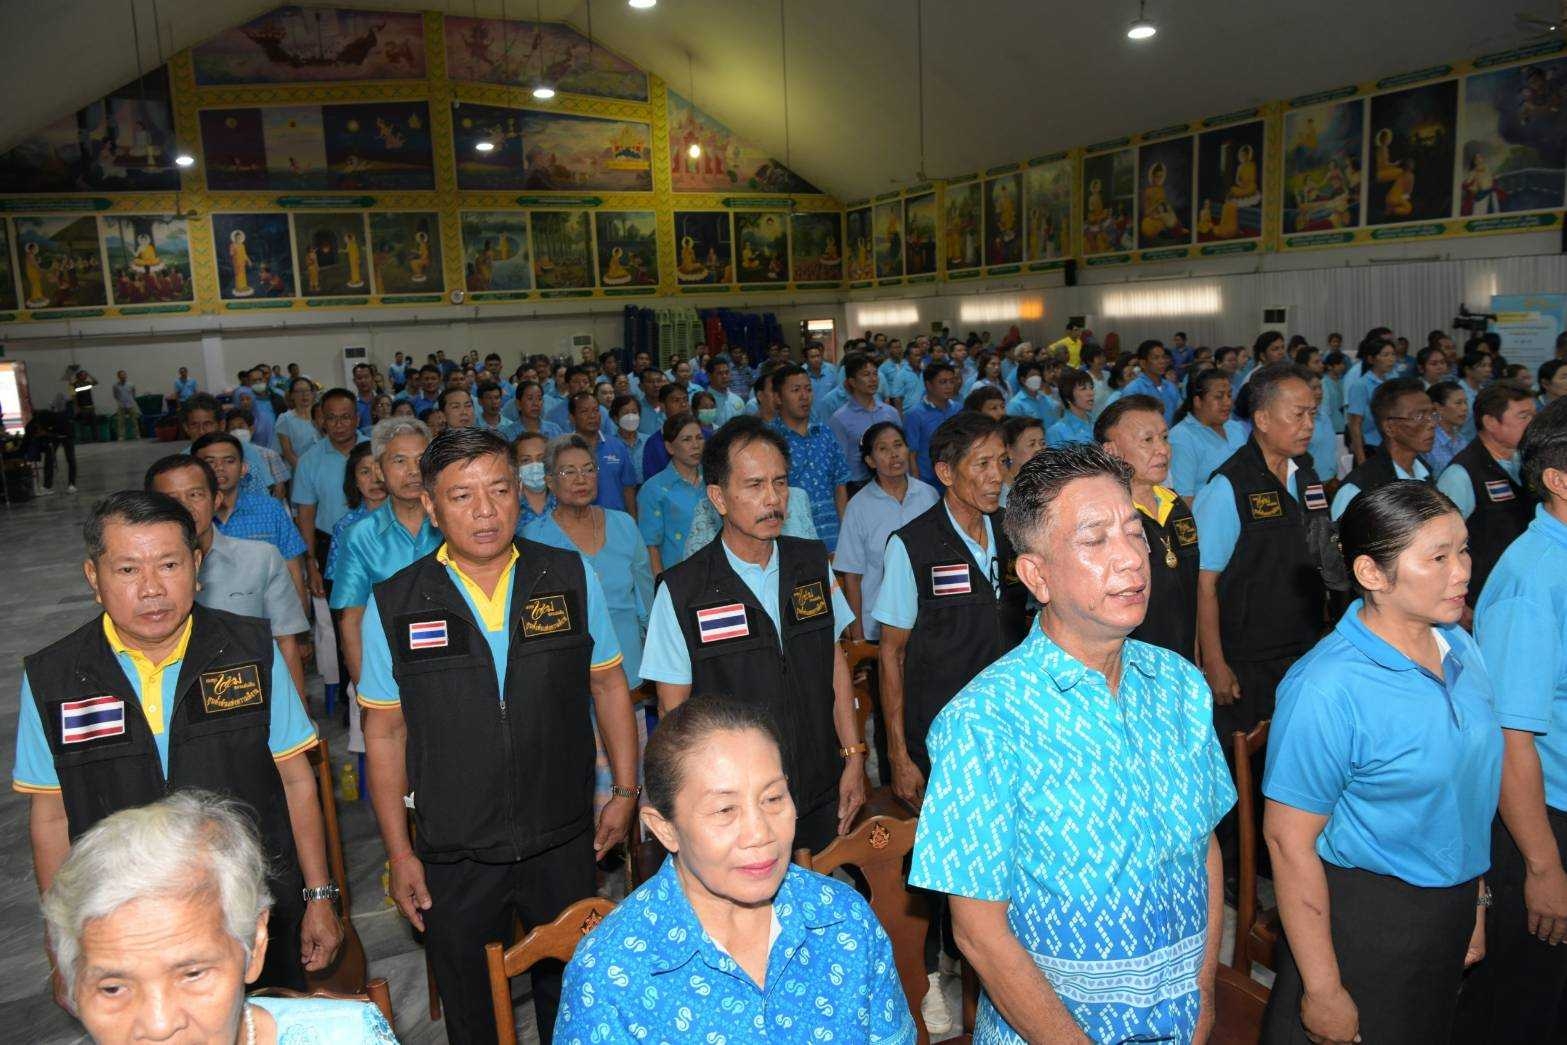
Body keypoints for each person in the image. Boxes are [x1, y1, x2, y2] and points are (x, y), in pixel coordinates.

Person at [909, 444, 1235, 1042]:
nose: (1131, 560)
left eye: (1133, 533)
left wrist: (1204, 1000)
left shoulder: (1179, 686)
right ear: (1036, 575)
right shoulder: (985, 721)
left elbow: (1203, 846)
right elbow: (978, 930)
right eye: (1095, 540)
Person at [358, 427, 639, 1042]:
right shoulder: (396, 603)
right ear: (431, 506)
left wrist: (623, 791)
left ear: (520, 492)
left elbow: (609, 686)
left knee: (575, 1003)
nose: (485, 511)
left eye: (500, 490)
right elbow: (384, 733)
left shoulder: (566, 575)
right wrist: (400, 852)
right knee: (473, 1012)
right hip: (454, 851)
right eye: (461, 496)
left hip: (563, 837)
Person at [13, 492, 342, 994]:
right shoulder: (54, 678)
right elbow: (51, 817)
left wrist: (319, 896)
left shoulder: (250, 651)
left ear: (196, 565)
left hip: (250, 915)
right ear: (93, 578)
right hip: (122, 927)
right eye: (127, 570)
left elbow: (297, 783)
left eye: (168, 565)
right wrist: (62, 940)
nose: (151, 589)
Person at [1262, 482, 1499, 1045]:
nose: (1462, 570)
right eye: (1437, 557)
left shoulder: (1458, 646)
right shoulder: (1327, 687)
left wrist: (1476, 900)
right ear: (1372, 574)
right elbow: (1287, 843)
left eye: (1462, 549)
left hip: (1448, 908)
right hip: (1363, 924)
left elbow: (1467, 790)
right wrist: (1322, 990)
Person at [556, 697, 913, 1041]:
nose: (760, 833)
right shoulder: (610, 975)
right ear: (665, 828)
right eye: (725, 810)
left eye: (773, 799)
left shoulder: (841, 918)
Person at [640, 416, 866, 853]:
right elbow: (673, 712)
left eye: (780, 483)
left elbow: (834, 664)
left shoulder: (810, 562)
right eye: (754, 485)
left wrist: (854, 756)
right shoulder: (684, 589)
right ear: (719, 498)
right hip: (738, 802)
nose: (772, 499)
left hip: (820, 781)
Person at [42, 792, 394, 1045]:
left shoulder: (347, 1038)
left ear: (254, 947)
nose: (159, 1025)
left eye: (193, 974)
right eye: (113, 988)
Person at [1452, 399, 1567, 1040]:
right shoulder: (1535, 580)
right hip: (1544, 822)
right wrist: (1544, 870)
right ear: (1559, 480)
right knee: (1525, 1010)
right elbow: (1510, 736)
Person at [875, 411, 1028, 804]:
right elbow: (891, 653)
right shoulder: (913, 546)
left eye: (1002, 462)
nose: (998, 475)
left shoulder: (1013, 533)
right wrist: (898, 754)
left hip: (1009, 725)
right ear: (945, 473)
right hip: (941, 735)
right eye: (982, 464)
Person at [1194, 363, 1346, 742]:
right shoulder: (1229, 486)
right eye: (1298, 415)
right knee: (1251, 765)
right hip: (1249, 658)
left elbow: (1321, 549)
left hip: (1305, 644)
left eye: (1313, 414)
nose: (1309, 425)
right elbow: (1204, 584)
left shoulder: (1306, 475)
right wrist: (1214, 663)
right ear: (1262, 418)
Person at [525, 434, 654, 813]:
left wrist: (655, 664)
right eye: (568, 471)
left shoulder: (624, 525)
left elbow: (645, 601)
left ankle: (638, 863)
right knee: (582, 791)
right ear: (550, 481)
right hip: (569, 682)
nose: (581, 479)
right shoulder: (534, 538)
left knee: (637, 787)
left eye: (588, 469)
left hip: (628, 678)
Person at [146, 454, 308, 699]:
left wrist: (300, 719)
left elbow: (285, 643)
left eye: (195, 495)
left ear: (216, 499)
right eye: (171, 499)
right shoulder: (138, 574)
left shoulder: (261, 559)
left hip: (246, 701)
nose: (185, 507)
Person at [1098, 395, 1201, 660]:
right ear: (1111, 451)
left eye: (1165, 438)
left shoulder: (1176, 506)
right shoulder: (1104, 519)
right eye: (1147, 440)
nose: (1163, 450)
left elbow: (1192, 590)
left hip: (1181, 659)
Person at [835, 421, 941, 644]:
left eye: (898, 445)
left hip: (928, 620)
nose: (894, 454)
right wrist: (858, 638)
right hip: (879, 625)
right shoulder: (858, 507)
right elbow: (852, 577)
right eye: (883, 449)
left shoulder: (928, 496)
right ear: (870, 461)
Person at [1437, 384, 1538, 604]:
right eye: (1524, 416)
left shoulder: (1527, 463)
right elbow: (1439, 542)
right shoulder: (1462, 473)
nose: (1533, 423)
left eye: (1533, 415)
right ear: (1491, 422)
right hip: (1481, 596)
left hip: (1523, 590)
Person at [193, 432, 308, 607]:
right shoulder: (186, 516)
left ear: (243, 469)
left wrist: (301, 618)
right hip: (207, 617)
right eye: (210, 462)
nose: (219, 467)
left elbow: (293, 568)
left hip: (266, 616)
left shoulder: (270, 509)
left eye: (229, 461)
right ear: (194, 470)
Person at [291, 389, 368, 602]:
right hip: (331, 545)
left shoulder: (376, 453)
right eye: (332, 418)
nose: (339, 424)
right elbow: (305, 516)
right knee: (342, 616)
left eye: (346, 417)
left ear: (357, 418)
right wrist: (311, 563)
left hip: (376, 541)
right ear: (321, 421)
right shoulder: (309, 460)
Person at [1330, 376, 1434, 519]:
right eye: (1419, 416)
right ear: (1390, 427)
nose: (1431, 424)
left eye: (1432, 415)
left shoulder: (1424, 472)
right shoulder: (1359, 488)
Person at [772, 365, 850, 551]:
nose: (804, 396)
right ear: (777, 398)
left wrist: (846, 534)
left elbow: (840, 486)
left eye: (808, 389)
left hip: (832, 538)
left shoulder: (825, 434)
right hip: (790, 538)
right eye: (796, 390)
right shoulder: (769, 439)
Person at [638, 412, 705, 575]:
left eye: (699, 437)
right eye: (687, 439)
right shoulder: (653, 489)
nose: (696, 445)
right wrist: (660, 585)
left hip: (719, 574)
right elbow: (651, 546)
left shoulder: (715, 480)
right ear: (669, 447)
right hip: (679, 578)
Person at [1168, 369, 1247, 500]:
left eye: (1229, 395)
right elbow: (1184, 499)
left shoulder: (1236, 428)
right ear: (1198, 401)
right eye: (1219, 396)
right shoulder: (1181, 438)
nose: (1228, 402)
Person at [829, 351, 901, 491]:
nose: (873, 379)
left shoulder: (890, 413)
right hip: (858, 485)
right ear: (852, 381)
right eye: (866, 374)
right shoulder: (840, 419)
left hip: (891, 481)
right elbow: (838, 463)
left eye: (875, 374)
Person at [182, 394, 276, 499]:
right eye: (194, 425)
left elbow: (265, 490)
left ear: (221, 425)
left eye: (208, 424)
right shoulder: (183, 460)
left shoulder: (243, 450)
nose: (201, 431)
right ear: (186, 427)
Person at [903, 361, 963, 483]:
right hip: (928, 479)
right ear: (928, 385)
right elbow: (911, 454)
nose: (949, 386)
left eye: (952, 381)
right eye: (943, 382)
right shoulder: (915, 414)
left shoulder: (959, 409)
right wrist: (916, 482)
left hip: (956, 475)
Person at [1346, 336, 1400, 464]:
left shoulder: (1392, 382)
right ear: (1371, 359)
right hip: (1370, 448)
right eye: (1385, 355)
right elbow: (1354, 424)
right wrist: (1361, 458)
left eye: (1393, 354)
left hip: (1391, 446)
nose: (1391, 359)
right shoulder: (1361, 385)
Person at [640, 382, 692, 478]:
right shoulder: (654, 443)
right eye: (676, 400)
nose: (683, 404)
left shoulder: (703, 436)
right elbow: (652, 481)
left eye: (686, 399)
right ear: (663, 406)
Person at [1124, 339, 1183, 423]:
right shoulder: (1134, 389)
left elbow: (1179, 412)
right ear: (1143, 363)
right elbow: (1131, 422)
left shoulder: (1170, 386)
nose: (1162, 361)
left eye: (1163, 357)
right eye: (1156, 358)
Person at [512, 430, 557, 532]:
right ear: (515, 465)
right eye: (526, 460)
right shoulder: (508, 507)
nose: (535, 466)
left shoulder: (565, 501)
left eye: (541, 459)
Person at [275, 376, 320, 470]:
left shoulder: (322, 415)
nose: (304, 395)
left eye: (307, 390)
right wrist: (304, 472)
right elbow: (287, 452)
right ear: (291, 395)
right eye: (299, 391)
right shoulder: (285, 419)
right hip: (299, 470)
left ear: (312, 393)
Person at [1045, 367, 1096, 446]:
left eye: (1091, 388)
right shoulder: (1056, 432)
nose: (1091, 393)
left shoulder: (1097, 424)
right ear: (1067, 397)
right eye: (1083, 389)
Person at [608, 394, 650, 484]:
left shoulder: (649, 441)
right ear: (615, 418)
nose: (631, 417)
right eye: (625, 413)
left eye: (634, 412)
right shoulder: (609, 445)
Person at [1006, 360, 1060, 427]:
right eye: (1033, 375)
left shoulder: (1046, 399)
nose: (1037, 378)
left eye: (1039, 375)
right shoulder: (1016, 404)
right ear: (1023, 380)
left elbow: (1055, 422)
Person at [111, 369, 139, 441]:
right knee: (120, 422)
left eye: (124, 375)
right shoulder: (115, 386)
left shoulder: (131, 384)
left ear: (126, 376)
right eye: (121, 375)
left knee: (134, 421)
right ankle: (121, 436)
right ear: (118, 377)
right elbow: (115, 395)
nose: (123, 376)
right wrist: (119, 401)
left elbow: (133, 393)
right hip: (121, 405)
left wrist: (132, 400)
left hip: (130, 404)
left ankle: (137, 435)